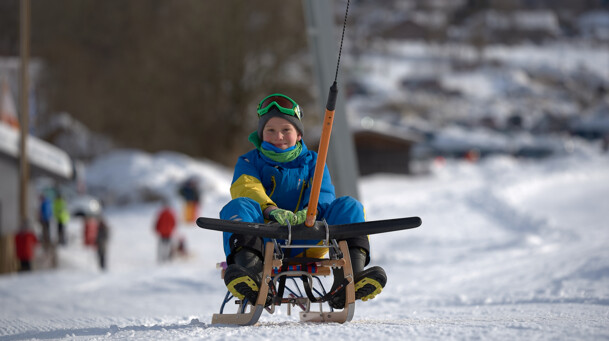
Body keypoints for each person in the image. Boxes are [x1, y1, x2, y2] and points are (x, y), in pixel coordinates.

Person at [220, 93, 387, 309]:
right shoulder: (247, 161)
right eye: (270, 130)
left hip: (309, 239)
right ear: (261, 134)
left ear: (298, 134)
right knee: (238, 206)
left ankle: (349, 281)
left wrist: (311, 211)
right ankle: (252, 277)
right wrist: (271, 211)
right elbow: (247, 188)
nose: (278, 136)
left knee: (349, 206)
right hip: (265, 240)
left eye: (286, 130)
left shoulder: (314, 161)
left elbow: (324, 192)